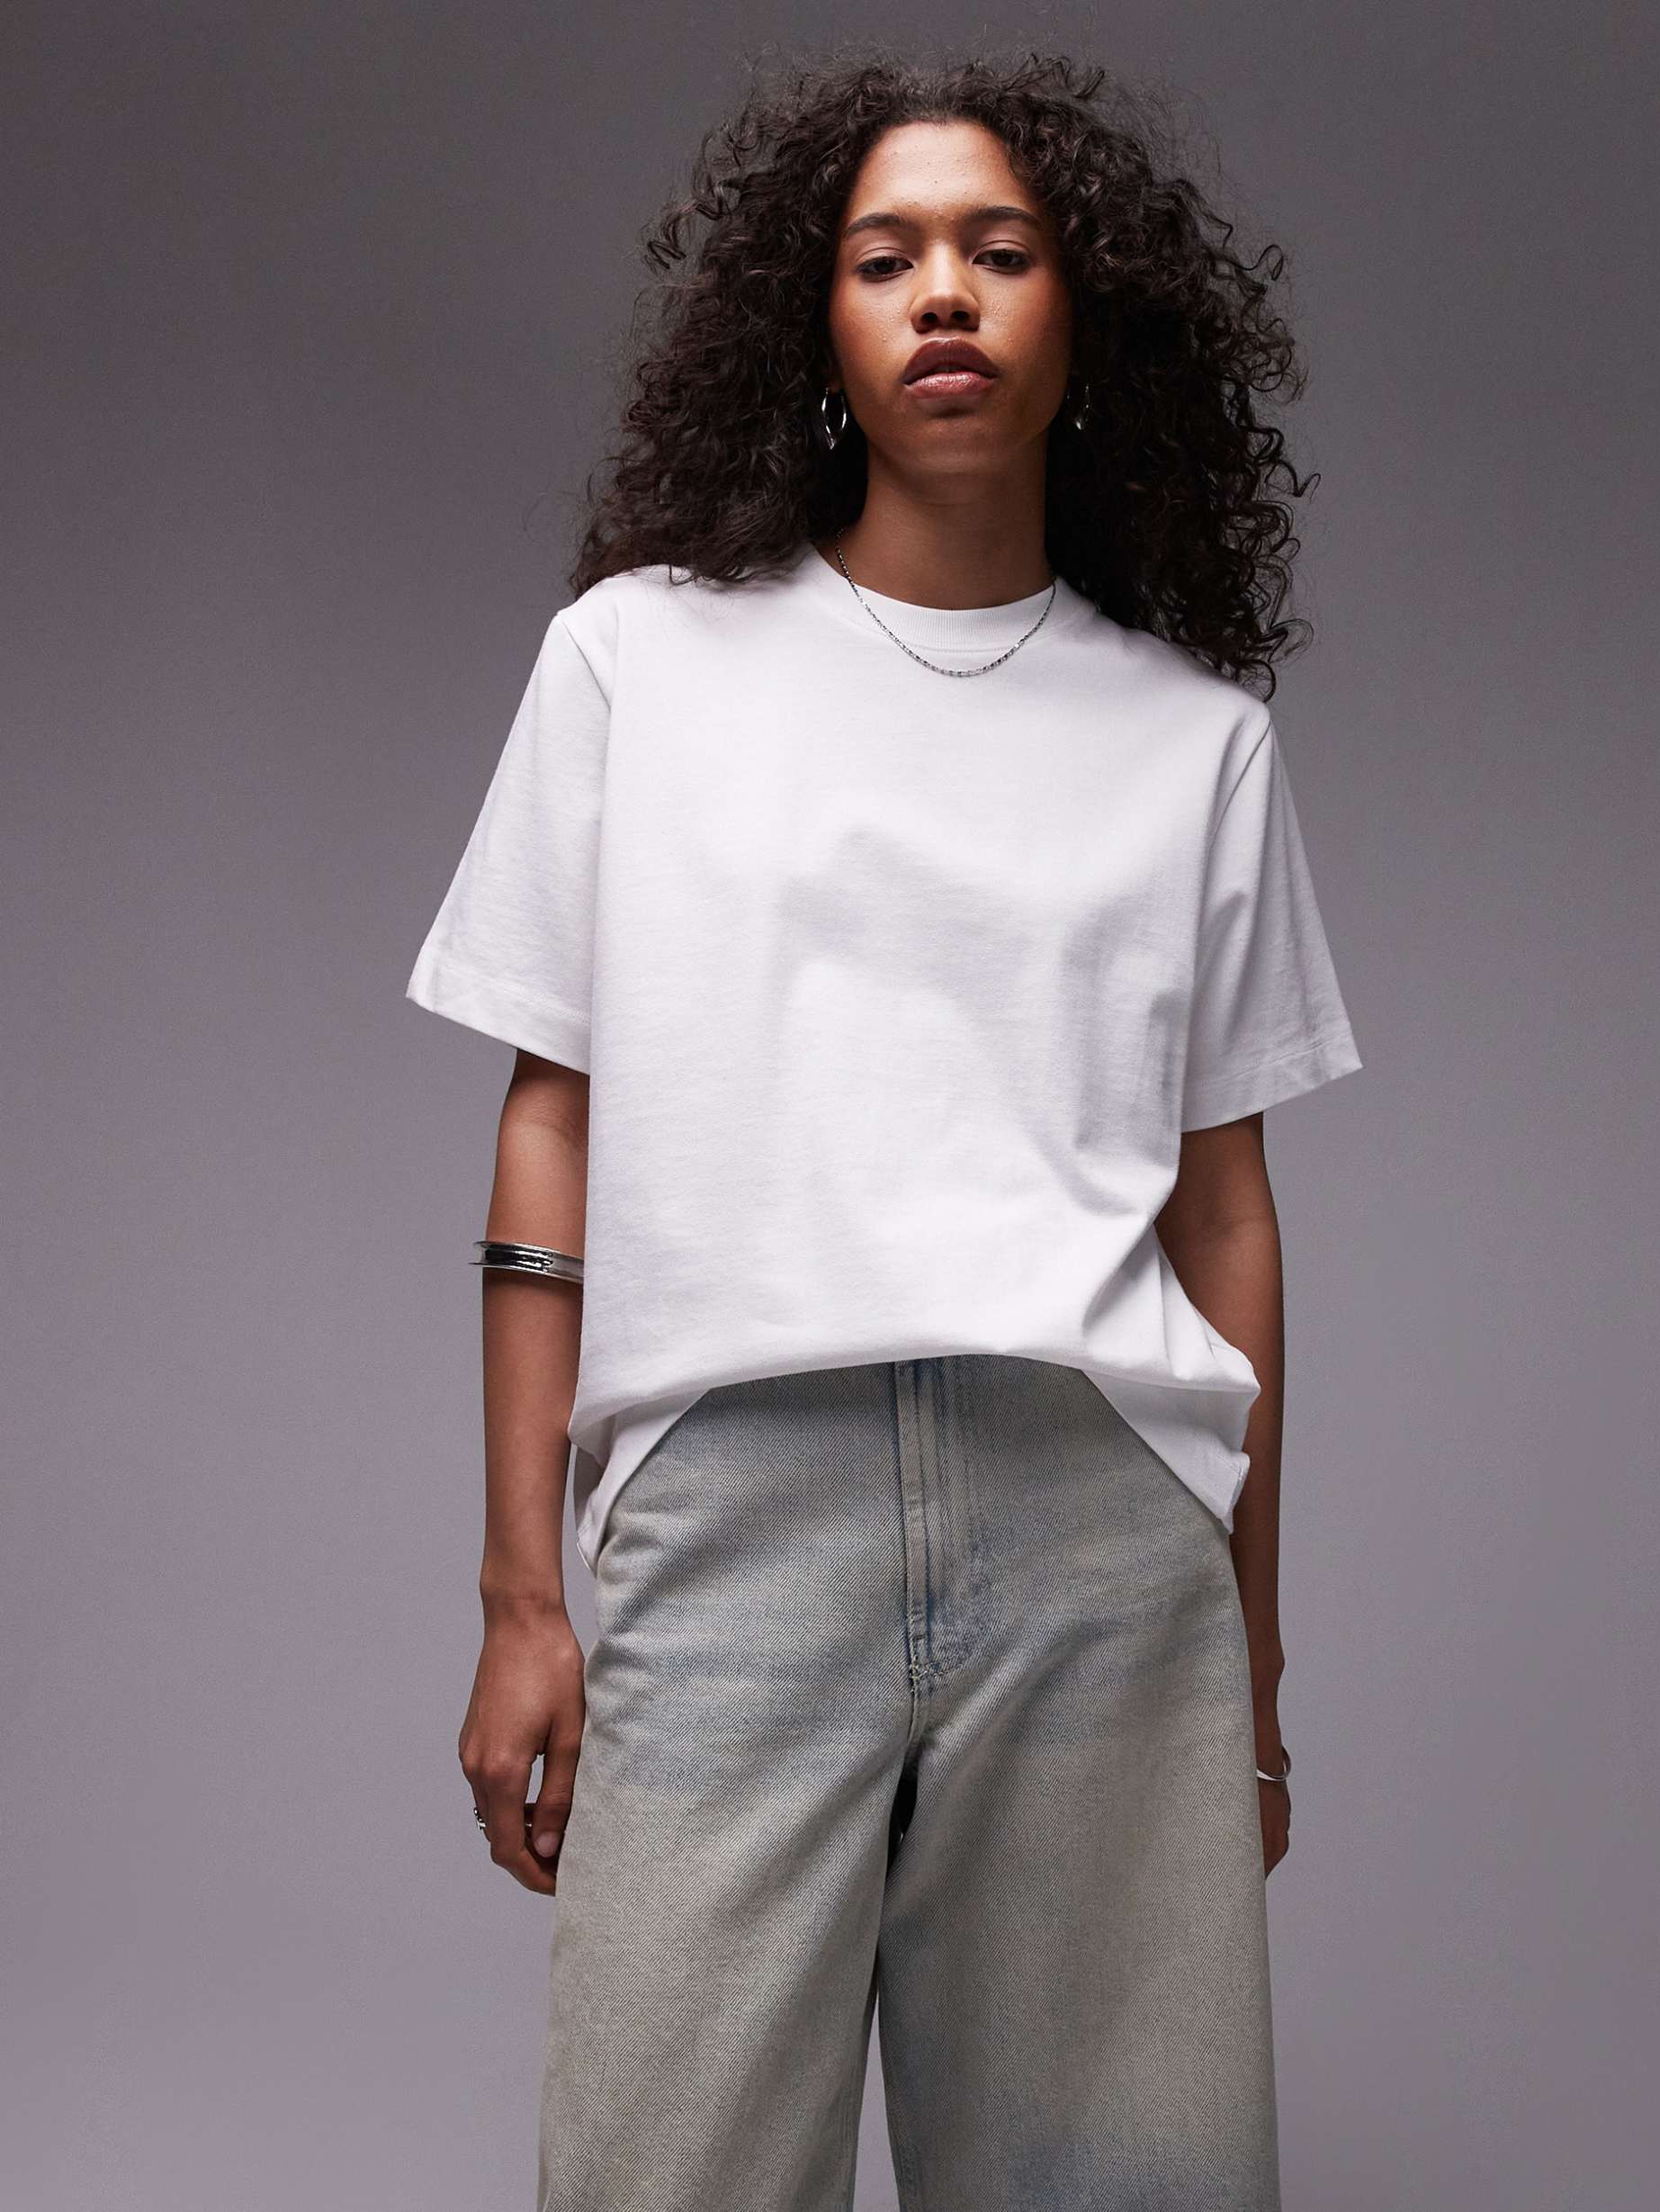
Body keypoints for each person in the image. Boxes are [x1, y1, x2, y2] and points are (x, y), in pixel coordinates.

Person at [405, 50, 1364, 2212]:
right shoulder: (635, 664)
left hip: (1101, 1534)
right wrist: (520, 1591)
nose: (944, 291)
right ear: (812, 323)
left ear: (1086, 316)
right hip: (735, 1510)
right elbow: (551, 1120)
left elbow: (1228, 1215)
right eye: (885, 255)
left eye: (999, 251)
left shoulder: (1195, 741)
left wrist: (1256, 1660)